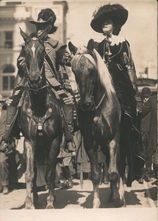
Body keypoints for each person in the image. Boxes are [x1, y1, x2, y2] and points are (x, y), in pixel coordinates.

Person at [2, 8, 75, 153]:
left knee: (67, 102)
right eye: (38, 26)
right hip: (29, 82)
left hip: (52, 84)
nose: (39, 29)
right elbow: (21, 60)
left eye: (43, 26)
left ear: (49, 27)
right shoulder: (29, 42)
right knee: (13, 101)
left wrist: (70, 58)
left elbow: (66, 60)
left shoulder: (57, 45)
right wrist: (22, 63)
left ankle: (69, 138)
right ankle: (7, 137)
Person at [89, 3, 145, 183]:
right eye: (103, 22)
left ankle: (129, 145)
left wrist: (134, 91)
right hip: (102, 86)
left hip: (121, 84)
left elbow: (130, 68)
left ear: (115, 25)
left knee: (128, 114)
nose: (105, 24)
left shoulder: (123, 44)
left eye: (108, 21)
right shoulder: (97, 46)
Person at [139, 87, 157, 181]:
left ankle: (145, 174)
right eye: (143, 97)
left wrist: (138, 108)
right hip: (151, 134)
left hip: (147, 134)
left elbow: (140, 112)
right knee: (148, 155)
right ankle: (147, 174)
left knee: (144, 154)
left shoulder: (148, 103)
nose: (144, 99)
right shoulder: (153, 102)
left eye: (146, 97)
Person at [0, 101, 17, 194]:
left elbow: (11, 129)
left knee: (2, 161)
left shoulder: (7, 113)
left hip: (4, 143)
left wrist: (7, 141)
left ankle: (5, 185)